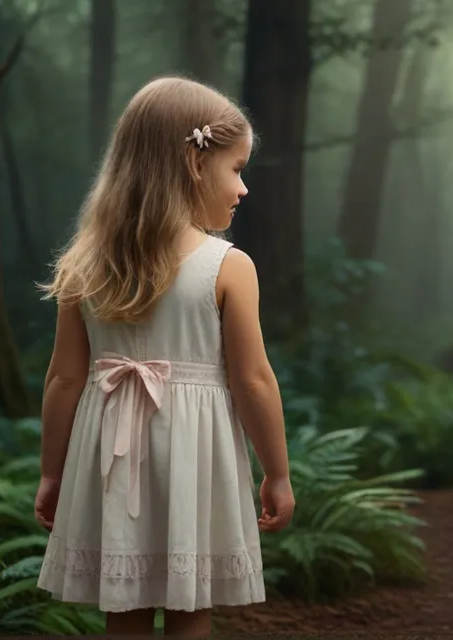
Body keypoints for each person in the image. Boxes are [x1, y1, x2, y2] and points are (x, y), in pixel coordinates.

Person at [33, 76, 294, 638]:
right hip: (193, 459)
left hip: (110, 458)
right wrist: (276, 471)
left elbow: (63, 380)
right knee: (189, 606)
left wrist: (51, 472)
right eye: (237, 168)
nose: (243, 188)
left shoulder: (85, 265)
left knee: (121, 606)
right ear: (194, 163)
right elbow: (252, 381)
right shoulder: (228, 267)